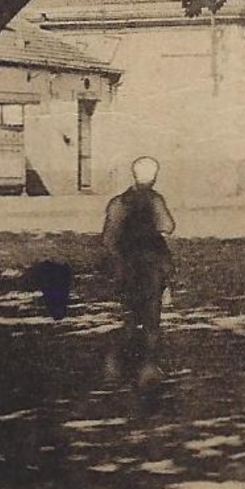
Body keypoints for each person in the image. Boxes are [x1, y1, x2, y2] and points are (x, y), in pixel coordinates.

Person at [101, 156, 176, 383]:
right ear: (153, 177)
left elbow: (108, 238)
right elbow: (168, 226)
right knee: (152, 318)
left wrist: (119, 257)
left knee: (130, 314)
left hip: (127, 266)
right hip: (151, 266)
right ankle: (147, 366)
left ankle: (118, 363)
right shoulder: (155, 200)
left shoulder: (118, 202)